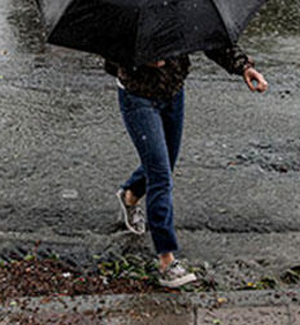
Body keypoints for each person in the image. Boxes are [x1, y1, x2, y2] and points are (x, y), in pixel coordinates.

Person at [106, 47, 268, 288]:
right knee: (160, 176)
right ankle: (166, 260)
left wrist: (244, 67)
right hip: (137, 96)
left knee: (164, 165)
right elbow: (110, 60)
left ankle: (130, 194)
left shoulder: (178, 9)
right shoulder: (123, 13)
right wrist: (140, 60)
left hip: (173, 93)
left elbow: (211, 38)